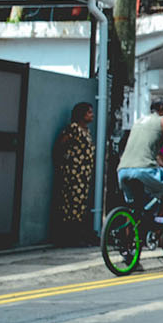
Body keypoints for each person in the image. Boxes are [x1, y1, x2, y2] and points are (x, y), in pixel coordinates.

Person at [116, 98, 163, 213]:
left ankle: (141, 223)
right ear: (161, 109)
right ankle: (162, 218)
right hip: (143, 170)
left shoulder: (138, 121)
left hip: (122, 171)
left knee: (138, 207)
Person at [50, 102, 96, 246]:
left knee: (80, 205)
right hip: (73, 173)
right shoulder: (74, 129)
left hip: (83, 174)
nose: (92, 115)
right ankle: (68, 236)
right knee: (71, 204)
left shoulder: (86, 130)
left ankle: (77, 235)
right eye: (89, 112)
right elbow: (60, 145)